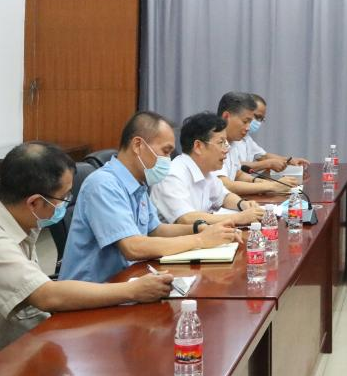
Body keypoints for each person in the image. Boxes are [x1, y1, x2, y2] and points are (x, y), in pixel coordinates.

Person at [0, 143, 173, 376]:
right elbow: (47, 296)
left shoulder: (18, 218)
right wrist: (134, 290)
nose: (67, 202)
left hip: (28, 343)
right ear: (34, 202)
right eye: (64, 197)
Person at [59, 111, 240, 284]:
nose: (168, 160)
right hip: (94, 291)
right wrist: (201, 240)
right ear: (138, 145)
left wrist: (200, 228)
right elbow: (132, 247)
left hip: (128, 280)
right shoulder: (103, 184)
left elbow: (156, 230)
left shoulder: (138, 183)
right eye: (165, 151)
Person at [150, 111, 266, 227]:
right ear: (198, 146)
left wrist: (243, 204)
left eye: (225, 142)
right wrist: (238, 218)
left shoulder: (206, 171)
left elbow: (224, 196)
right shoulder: (173, 175)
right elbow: (186, 218)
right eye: (221, 142)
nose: (226, 149)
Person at [213, 91, 299, 196]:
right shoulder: (212, 143)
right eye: (245, 122)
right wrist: (272, 186)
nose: (248, 128)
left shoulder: (231, 142)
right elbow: (225, 185)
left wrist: (265, 182)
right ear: (226, 116)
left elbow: (238, 174)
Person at [240, 93, 310, 175]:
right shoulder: (229, 138)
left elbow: (263, 156)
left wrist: (290, 161)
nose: (258, 122)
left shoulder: (246, 138)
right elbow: (236, 166)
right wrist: (268, 164)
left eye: (261, 119)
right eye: (257, 117)